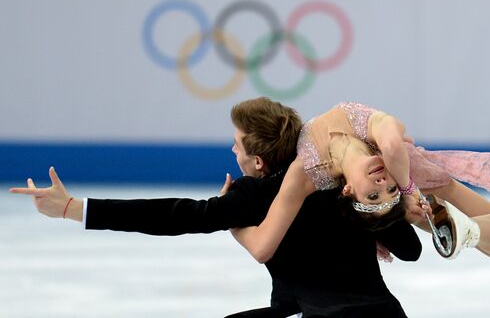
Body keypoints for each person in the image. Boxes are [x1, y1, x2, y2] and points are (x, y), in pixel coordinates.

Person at [10, 97, 422, 317]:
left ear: (257, 161)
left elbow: (174, 216)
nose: (232, 148)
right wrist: (384, 208)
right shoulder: (350, 186)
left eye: (237, 143)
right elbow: (410, 249)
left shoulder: (252, 198)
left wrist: (75, 209)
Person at [230, 102, 490, 264]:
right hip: (412, 185)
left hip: (411, 176)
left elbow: (392, 147)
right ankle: (468, 231)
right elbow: (261, 249)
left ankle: (468, 231)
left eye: (373, 193)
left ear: (348, 190)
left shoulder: (309, 166)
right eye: (386, 191)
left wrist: (405, 189)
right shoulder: (304, 177)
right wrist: (234, 222)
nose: (382, 182)